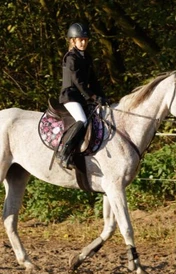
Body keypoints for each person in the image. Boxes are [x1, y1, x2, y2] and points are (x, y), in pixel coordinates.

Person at [58, 22, 107, 169]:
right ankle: (65, 152)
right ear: (73, 41)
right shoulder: (71, 58)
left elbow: (93, 80)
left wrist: (103, 97)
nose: (84, 42)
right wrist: (93, 97)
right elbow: (79, 83)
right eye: (80, 40)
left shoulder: (86, 57)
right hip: (70, 96)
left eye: (85, 39)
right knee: (82, 120)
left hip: (81, 97)